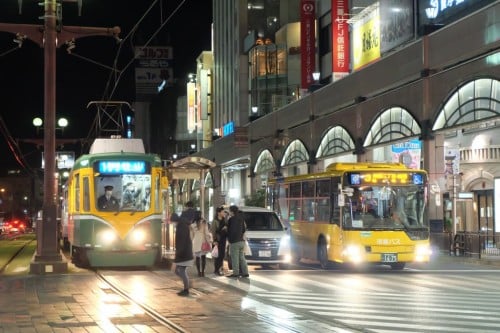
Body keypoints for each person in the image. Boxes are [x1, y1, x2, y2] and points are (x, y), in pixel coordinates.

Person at [173, 211, 194, 297]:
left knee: (181, 271)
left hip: (184, 254)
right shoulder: (182, 226)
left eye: (172, 222)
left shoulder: (181, 227)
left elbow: (181, 243)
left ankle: (186, 289)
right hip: (184, 253)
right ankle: (188, 283)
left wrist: (176, 257)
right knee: (177, 270)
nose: (172, 224)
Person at [226, 205, 249, 278]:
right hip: (241, 241)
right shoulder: (241, 219)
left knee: (235, 257)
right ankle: (245, 272)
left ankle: (236, 273)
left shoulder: (231, 220)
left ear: (232, 211)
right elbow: (244, 229)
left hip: (234, 241)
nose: (229, 212)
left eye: (229, 211)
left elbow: (230, 231)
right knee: (242, 257)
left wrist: (230, 239)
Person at [211, 207, 228, 276]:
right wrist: (214, 240)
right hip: (217, 240)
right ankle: (217, 270)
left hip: (223, 239)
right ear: (219, 213)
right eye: (223, 212)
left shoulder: (224, 220)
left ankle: (218, 269)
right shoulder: (215, 221)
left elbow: (227, 229)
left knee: (222, 255)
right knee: (218, 255)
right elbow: (213, 231)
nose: (224, 213)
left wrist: (226, 229)